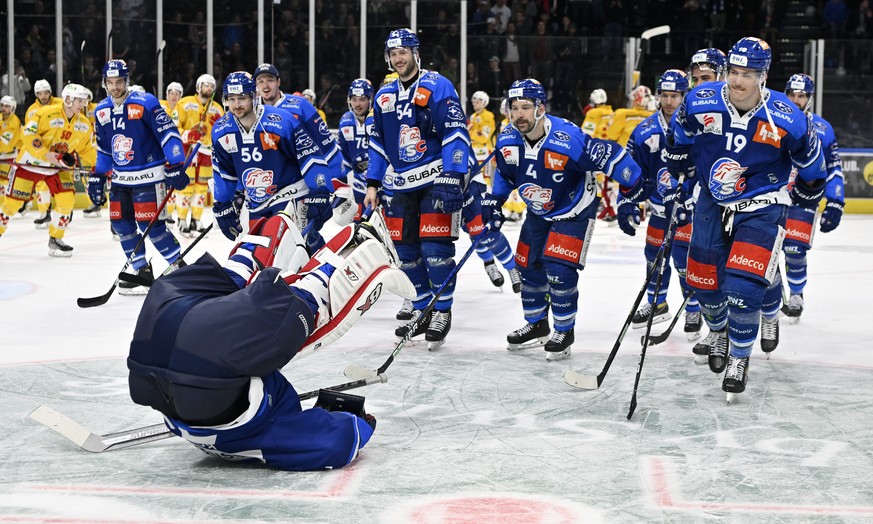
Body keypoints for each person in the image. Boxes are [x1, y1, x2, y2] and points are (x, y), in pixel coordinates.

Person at [127, 210, 415, 471]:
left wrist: (359, 425)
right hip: (160, 325)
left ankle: (332, 266)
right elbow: (336, 439)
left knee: (287, 309)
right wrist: (358, 426)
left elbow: (338, 437)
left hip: (201, 372)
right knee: (238, 295)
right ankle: (257, 256)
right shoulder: (268, 434)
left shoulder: (269, 438)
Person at [666, 37, 827, 401]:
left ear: (764, 76)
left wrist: (809, 190)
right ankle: (719, 332)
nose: (737, 82)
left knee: (742, 287)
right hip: (711, 197)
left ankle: (740, 357)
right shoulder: (701, 99)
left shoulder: (787, 116)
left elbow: (813, 167)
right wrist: (679, 165)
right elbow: (680, 135)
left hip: (762, 203)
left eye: (748, 74)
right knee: (703, 283)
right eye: (733, 72)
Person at [482, 79, 647, 361]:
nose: (519, 114)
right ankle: (537, 324)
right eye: (514, 107)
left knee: (559, 270)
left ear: (540, 109)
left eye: (526, 107)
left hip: (574, 209)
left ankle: (564, 330)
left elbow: (616, 158)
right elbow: (507, 174)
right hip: (538, 210)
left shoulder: (567, 139)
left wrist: (630, 197)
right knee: (527, 265)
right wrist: (494, 200)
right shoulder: (508, 138)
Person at [362, 28, 472, 351]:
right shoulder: (383, 97)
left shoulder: (437, 85)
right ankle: (424, 305)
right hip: (400, 185)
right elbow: (379, 144)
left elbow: (455, 131)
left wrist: (453, 174)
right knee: (406, 254)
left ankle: (442, 310)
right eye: (393, 54)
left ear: (415, 53)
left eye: (403, 52)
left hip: (436, 180)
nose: (398, 58)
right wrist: (372, 183)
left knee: (435, 252)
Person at [89, 59, 189, 294]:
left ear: (127, 81)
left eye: (119, 81)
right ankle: (142, 271)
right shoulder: (101, 110)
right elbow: (104, 149)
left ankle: (180, 270)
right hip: (120, 181)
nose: (115, 87)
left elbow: (169, 133)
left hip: (150, 178)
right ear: (104, 83)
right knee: (122, 225)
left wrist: (176, 164)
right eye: (110, 82)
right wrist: (98, 175)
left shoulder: (145, 103)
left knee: (152, 228)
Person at [619, 69, 702, 341]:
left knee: (683, 261)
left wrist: (692, 198)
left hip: (689, 210)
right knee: (653, 258)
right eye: (664, 95)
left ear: (684, 96)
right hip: (658, 210)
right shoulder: (644, 131)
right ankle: (658, 303)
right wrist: (627, 200)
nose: (669, 101)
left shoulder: (696, 127)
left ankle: (693, 307)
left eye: (675, 96)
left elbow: (704, 168)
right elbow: (632, 169)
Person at [211, 72, 333, 246]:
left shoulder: (281, 121)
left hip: (290, 194)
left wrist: (320, 189)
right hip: (256, 202)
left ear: (254, 96)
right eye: (231, 99)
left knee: (293, 248)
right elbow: (224, 171)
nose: (236, 105)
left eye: (241, 98)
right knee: (261, 253)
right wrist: (223, 205)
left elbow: (309, 156)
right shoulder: (221, 130)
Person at [253, 63, 344, 250]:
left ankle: (321, 271)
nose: (265, 86)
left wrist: (333, 181)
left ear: (278, 82)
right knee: (269, 242)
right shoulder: (251, 111)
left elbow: (325, 142)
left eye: (270, 80)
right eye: (260, 81)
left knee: (303, 238)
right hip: (265, 188)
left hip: (299, 185)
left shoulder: (299, 105)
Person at [0, 84, 95, 256]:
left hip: (57, 167)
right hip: (31, 162)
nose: (83, 104)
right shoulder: (46, 113)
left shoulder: (84, 124)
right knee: (12, 205)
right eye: (79, 100)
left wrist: (103, 166)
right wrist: (44, 154)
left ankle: (55, 239)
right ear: (68, 99)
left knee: (67, 199)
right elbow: (28, 134)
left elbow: (87, 150)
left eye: (84, 101)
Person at [782, 73, 845, 322]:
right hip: (770, 196)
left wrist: (835, 202)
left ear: (809, 98)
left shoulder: (822, 129)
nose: (796, 100)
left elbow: (833, 167)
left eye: (801, 95)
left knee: (795, 249)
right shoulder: (771, 121)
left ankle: (796, 294)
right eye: (792, 94)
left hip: (804, 199)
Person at [464, 90, 522, 292]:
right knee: (470, 230)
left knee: (483, 225)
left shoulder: (489, 117)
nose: (475, 102)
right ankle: (489, 264)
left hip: (476, 169)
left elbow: (483, 136)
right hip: (450, 180)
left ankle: (512, 267)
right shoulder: (471, 118)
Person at [177, 73, 224, 236]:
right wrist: (188, 134)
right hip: (188, 151)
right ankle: (182, 220)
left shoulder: (218, 108)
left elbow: (221, 132)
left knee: (202, 188)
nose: (209, 88)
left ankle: (196, 220)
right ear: (198, 87)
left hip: (206, 153)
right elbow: (174, 126)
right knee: (186, 187)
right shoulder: (185, 103)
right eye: (206, 85)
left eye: (212, 86)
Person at [23, 79, 62, 226]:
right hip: (42, 152)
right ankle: (44, 212)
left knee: (61, 182)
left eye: (45, 92)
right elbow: (29, 133)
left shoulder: (60, 103)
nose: (43, 96)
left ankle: (64, 211)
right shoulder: (32, 110)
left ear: (50, 92)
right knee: (41, 183)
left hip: (60, 149)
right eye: (40, 93)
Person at [159, 81, 185, 224]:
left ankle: (169, 213)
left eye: (177, 94)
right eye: (171, 93)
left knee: (172, 183)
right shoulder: (159, 106)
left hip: (175, 151)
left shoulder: (183, 110)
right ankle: (162, 213)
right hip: (159, 150)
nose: (174, 96)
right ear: (167, 94)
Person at [0, 96, 22, 201]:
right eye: (2, 105)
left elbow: (4, 144)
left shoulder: (13, 122)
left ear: (12, 108)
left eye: (7, 106)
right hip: (3, 155)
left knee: (5, 182)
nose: (3, 108)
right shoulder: (1, 117)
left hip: (9, 156)